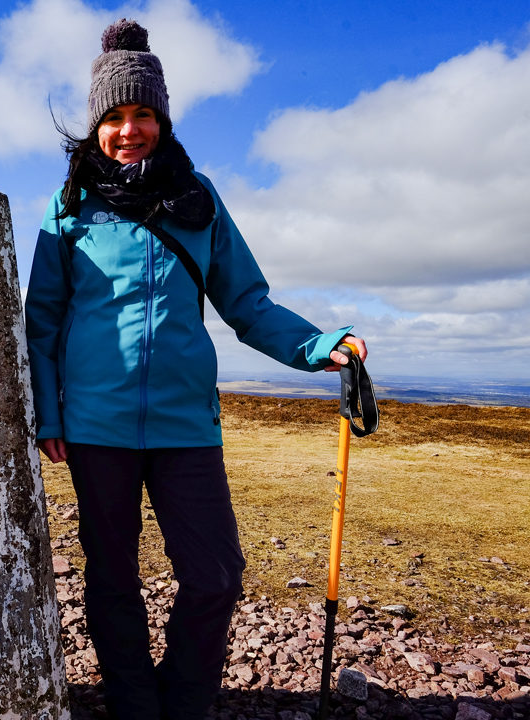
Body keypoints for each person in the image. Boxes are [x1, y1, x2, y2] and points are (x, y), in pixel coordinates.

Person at [24, 19, 368, 720]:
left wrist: (316, 346)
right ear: (95, 127)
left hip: (187, 427)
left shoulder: (199, 199)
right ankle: (132, 700)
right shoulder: (69, 210)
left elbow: (246, 301)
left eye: (142, 113)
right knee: (112, 577)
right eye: (115, 117)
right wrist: (50, 417)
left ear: (163, 118)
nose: (129, 130)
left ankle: (185, 701)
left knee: (215, 577)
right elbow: (43, 324)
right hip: (95, 427)